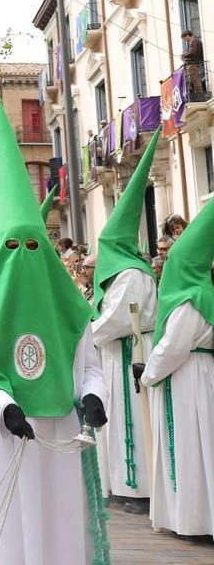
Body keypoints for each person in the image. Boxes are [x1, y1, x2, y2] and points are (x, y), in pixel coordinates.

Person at [0, 85, 107, 565]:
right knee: (8, 533)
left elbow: (89, 367)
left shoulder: (70, 306)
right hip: (6, 435)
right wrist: (4, 408)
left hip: (60, 436)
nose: (22, 258)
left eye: (32, 247)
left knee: (58, 528)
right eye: (11, 247)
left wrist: (93, 397)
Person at [90, 130, 159, 515]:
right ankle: (122, 484)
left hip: (129, 350)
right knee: (117, 422)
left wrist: (84, 333)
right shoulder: (125, 274)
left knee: (130, 421)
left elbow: (115, 320)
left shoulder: (132, 275)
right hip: (117, 352)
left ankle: (136, 487)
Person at [137, 192, 214, 537]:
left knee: (192, 449)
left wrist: (148, 373)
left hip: (188, 379)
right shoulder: (201, 294)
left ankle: (195, 519)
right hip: (193, 376)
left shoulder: (191, 299)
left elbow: (173, 347)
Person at [181, 30, 206, 98]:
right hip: (193, 62)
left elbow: (193, 52)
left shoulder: (194, 41)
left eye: (185, 38)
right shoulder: (193, 42)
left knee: (195, 78)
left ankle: (199, 94)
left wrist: (184, 55)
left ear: (187, 35)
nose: (185, 40)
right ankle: (197, 93)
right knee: (193, 78)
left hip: (194, 63)